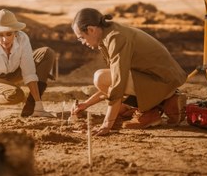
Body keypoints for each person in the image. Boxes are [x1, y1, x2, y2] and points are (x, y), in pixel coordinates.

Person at [71, 8, 187, 136]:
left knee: (100, 77)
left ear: (91, 30)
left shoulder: (115, 38)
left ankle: (150, 111)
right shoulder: (110, 33)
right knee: (118, 107)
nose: (82, 42)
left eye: (81, 38)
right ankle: (158, 105)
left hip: (164, 82)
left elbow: (117, 84)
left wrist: (106, 125)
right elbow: (116, 81)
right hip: (159, 79)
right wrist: (86, 104)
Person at [0, 9, 55, 119]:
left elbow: (29, 72)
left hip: (12, 72)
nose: (5, 39)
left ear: (15, 32)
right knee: (15, 95)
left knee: (47, 53)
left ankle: (32, 108)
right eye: (0, 35)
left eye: (9, 34)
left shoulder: (22, 38)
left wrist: (38, 105)